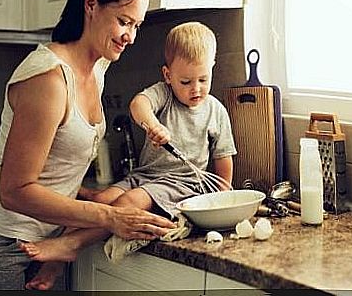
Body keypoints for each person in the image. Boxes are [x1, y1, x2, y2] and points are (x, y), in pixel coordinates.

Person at [0, 0, 176, 291]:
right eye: (123, 21)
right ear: (91, 4)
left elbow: (54, 165)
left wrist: (87, 195)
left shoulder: (98, 67)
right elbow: (14, 191)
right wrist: (110, 217)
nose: (130, 35)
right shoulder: (48, 78)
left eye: (137, 25)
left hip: (47, 238)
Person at [17, 21, 238, 286]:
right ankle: (53, 266)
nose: (196, 89)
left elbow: (224, 163)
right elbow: (139, 104)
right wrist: (152, 124)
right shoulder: (163, 95)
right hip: (145, 176)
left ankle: (73, 243)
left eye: (204, 79)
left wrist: (222, 204)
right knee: (100, 201)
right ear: (168, 75)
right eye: (186, 81)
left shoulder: (216, 111)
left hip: (182, 184)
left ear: (212, 69)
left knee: (126, 203)